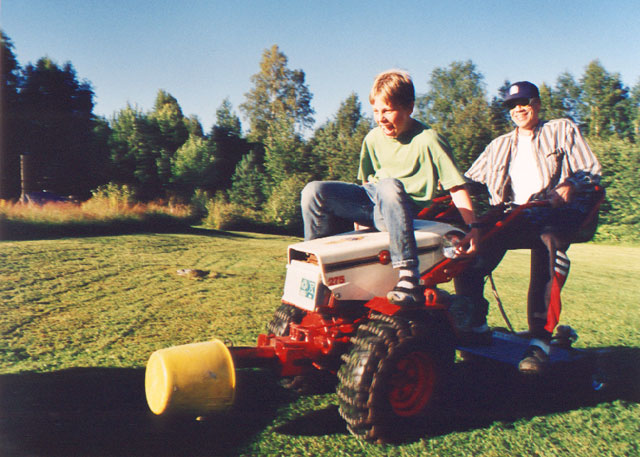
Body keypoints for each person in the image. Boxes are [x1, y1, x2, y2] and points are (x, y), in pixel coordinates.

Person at [301, 69, 480, 307]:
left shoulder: (429, 140)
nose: (380, 118)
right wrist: (361, 233)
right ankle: (319, 268)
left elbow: (456, 187)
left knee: (389, 185)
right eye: (376, 111)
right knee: (314, 191)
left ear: (409, 108)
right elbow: (366, 184)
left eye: (387, 110)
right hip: (372, 201)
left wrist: (473, 228)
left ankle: (407, 274)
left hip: (401, 206)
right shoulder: (373, 139)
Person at [456, 81, 602, 373]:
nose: (518, 109)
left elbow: (592, 172)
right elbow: (468, 179)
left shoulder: (561, 130)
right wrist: (446, 184)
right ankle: (476, 325)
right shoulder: (498, 146)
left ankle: (541, 342)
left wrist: (570, 184)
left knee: (549, 245)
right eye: (512, 105)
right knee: (468, 251)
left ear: (536, 104)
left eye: (524, 102)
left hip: (553, 212)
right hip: (514, 213)